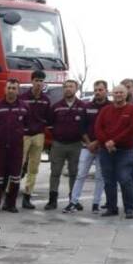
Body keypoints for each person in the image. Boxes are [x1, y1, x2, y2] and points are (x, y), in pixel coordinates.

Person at [94, 84, 133, 219]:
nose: (118, 95)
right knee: (108, 181)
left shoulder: (132, 110)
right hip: (106, 150)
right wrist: (107, 143)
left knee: (125, 179)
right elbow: (98, 128)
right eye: (116, 92)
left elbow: (132, 129)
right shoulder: (105, 110)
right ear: (112, 94)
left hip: (125, 151)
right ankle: (111, 207)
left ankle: (129, 208)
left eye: (121, 92)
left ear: (126, 94)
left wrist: (114, 141)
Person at [66, 80, 110, 214]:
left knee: (100, 177)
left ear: (106, 90)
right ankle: (73, 202)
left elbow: (110, 128)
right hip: (87, 147)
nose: (97, 92)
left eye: (100, 90)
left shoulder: (111, 107)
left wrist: (97, 142)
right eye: (96, 90)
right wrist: (88, 143)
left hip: (102, 147)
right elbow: (81, 127)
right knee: (80, 175)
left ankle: (96, 204)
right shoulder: (87, 106)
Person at [0, 78, 28, 213]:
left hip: (16, 147)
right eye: (9, 88)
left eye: (14, 88)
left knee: (15, 177)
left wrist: (18, 135)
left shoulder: (24, 107)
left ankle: (11, 204)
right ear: (5, 89)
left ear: (18, 90)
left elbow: (26, 126)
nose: (11, 90)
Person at [47, 79, 86, 210]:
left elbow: (85, 125)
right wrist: (57, 135)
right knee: (55, 173)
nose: (68, 89)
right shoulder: (56, 106)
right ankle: (52, 200)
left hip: (76, 145)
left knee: (74, 173)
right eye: (65, 87)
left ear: (76, 89)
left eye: (71, 86)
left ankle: (73, 199)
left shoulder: (82, 106)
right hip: (59, 145)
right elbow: (50, 125)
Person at [20, 69, 51, 209]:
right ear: (31, 81)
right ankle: (10, 195)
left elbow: (48, 118)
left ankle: (27, 196)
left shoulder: (46, 100)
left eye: (41, 81)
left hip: (38, 136)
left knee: (33, 168)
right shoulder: (23, 97)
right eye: (36, 80)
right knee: (17, 166)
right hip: (24, 135)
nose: (39, 83)